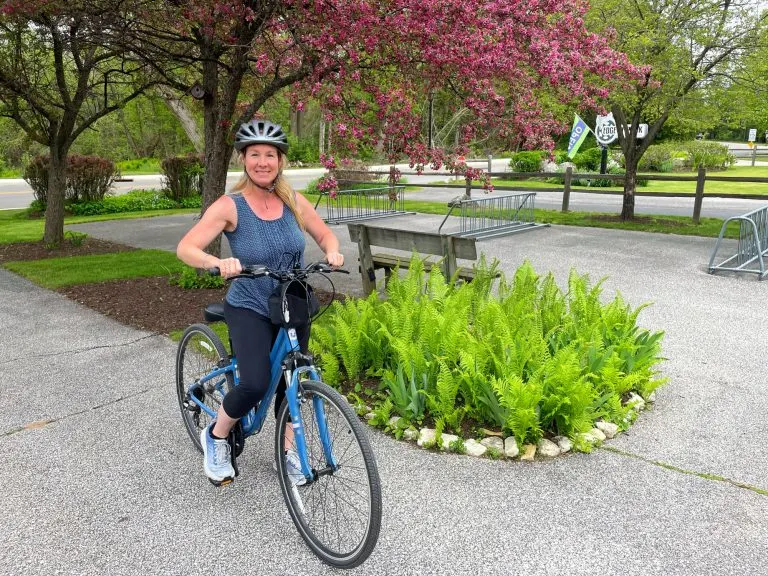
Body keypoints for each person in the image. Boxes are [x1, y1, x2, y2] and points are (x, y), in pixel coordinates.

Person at [176, 119, 344, 486]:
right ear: (243, 159)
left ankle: (289, 454)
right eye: (255, 155)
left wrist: (332, 251)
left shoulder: (292, 201)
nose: (263, 162)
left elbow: (325, 233)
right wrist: (217, 262)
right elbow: (186, 248)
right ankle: (217, 437)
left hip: (291, 301)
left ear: (280, 161)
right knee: (254, 383)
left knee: (293, 383)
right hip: (250, 304)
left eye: (271, 155)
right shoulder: (230, 205)